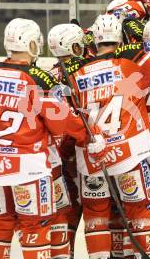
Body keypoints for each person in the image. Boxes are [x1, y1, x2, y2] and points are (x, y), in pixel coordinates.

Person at [0, 18, 105, 259]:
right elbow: (61, 121)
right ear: (31, 45)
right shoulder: (39, 79)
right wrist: (90, 135)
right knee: (35, 226)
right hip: (28, 169)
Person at [71, 13, 150, 259]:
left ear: (94, 41)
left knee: (96, 215)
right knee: (139, 209)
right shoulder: (129, 67)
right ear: (119, 39)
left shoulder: (77, 76)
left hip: (93, 158)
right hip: (127, 153)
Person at [47, 23, 87, 258]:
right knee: (96, 208)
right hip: (83, 146)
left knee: (66, 208)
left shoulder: (48, 75)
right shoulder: (85, 70)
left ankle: (63, 252)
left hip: (58, 153)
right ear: (74, 46)